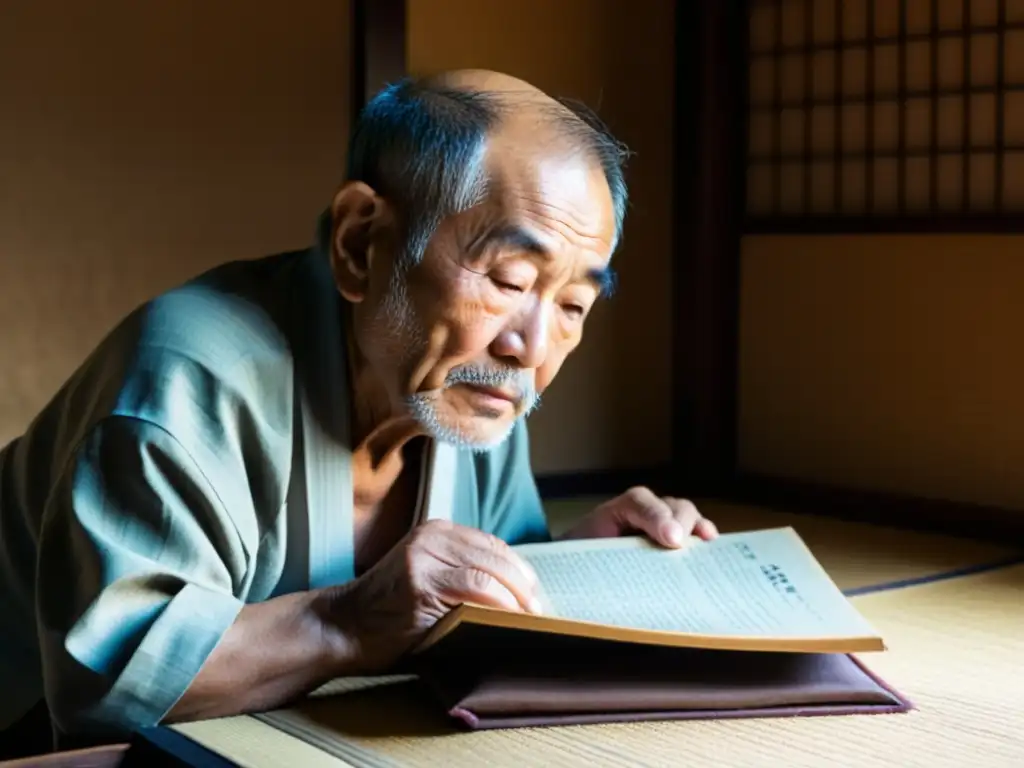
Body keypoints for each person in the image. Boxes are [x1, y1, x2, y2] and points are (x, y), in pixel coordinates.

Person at [0, 69, 718, 753]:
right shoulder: (187, 380)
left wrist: (580, 563)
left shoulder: (472, 393)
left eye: (572, 305)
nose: (530, 346)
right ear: (358, 242)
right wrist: (348, 620)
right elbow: (106, 685)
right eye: (508, 279)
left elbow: (474, 601)